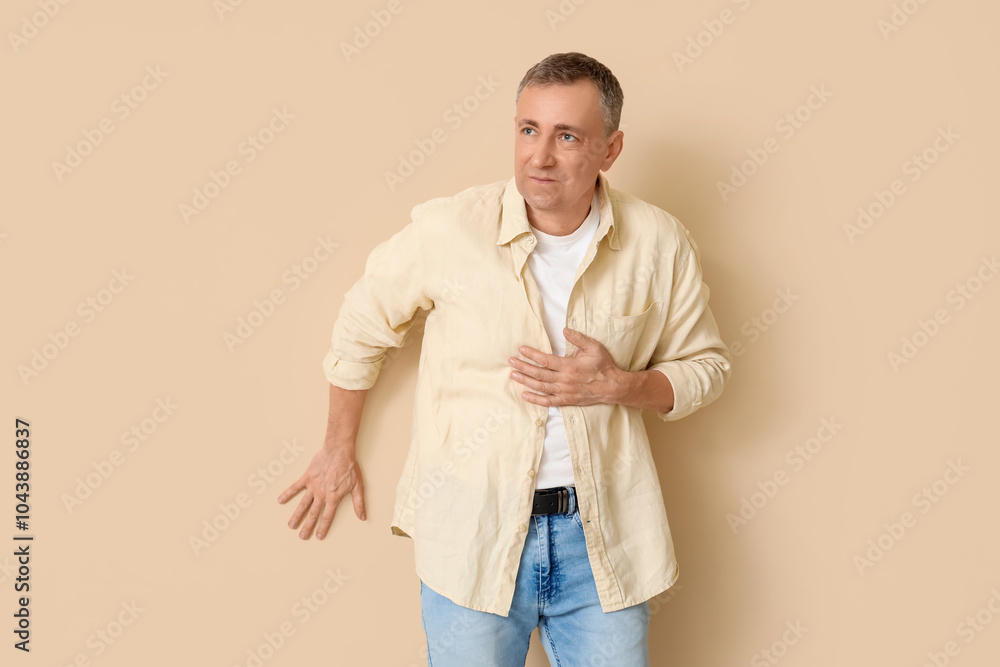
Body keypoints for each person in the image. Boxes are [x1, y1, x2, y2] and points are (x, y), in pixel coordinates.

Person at [277, 51, 732, 666]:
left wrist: (620, 385)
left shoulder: (658, 241)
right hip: (471, 535)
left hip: (604, 543)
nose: (539, 157)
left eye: (566, 136)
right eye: (527, 130)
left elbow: (706, 367)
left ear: (611, 148)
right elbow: (360, 328)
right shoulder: (448, 230)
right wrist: (336, 449)